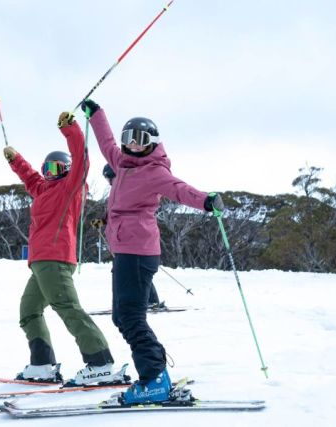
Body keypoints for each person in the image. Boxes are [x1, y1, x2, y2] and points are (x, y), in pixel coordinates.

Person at [81, 99, 224, 404]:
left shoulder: (155, 171)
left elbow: (180, 189)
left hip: (138, 252)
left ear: (152, 143)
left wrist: (207, 201)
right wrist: (96, 114)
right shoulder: (121, 163)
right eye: (128, 138)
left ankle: (154, 379)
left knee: (130, 317)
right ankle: (156, 369)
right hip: (126, 252)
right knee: (124, 316)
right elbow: (105, 141)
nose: (132, 145)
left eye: (140, 139)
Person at [3, 111, 125, 386]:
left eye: (57, 168)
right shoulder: (43, 189)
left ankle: (100, 362)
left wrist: (70, 128)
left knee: (68, 307)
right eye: (48, 169)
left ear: (68, 170)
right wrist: (15, 159)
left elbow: (82, 157)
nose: (50, 174)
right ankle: (43, 365)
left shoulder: (70, 188)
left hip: (55, 257)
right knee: (29, 311)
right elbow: (30, 178)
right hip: (40, 262)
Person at [100, 164, 163, 308]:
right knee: (129, 272)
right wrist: (102, 221)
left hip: (134, 240)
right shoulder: (115, 192)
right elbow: (113, 214)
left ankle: (150, 300)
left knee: (135, 271)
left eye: (111, 177)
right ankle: (132, 302)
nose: (110, 181)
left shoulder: (129, 190)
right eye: (107, 178)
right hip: (119, 241)